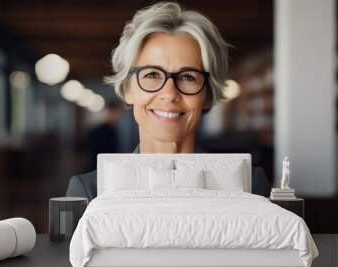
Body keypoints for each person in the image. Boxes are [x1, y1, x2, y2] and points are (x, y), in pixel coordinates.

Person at [66, 2, 269, 201]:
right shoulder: (89, 191)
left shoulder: (249, 184)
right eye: (152, 74)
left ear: (207, 95)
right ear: (128, 89)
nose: (169, 93)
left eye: (188, 77)